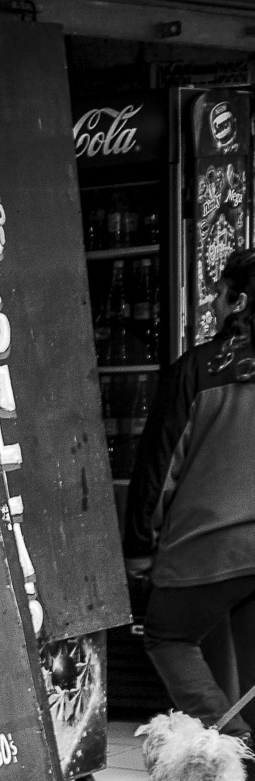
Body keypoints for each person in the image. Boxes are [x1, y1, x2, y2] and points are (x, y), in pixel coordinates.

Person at [125, 247, 255, 745]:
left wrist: (139, 549)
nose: (215, 305)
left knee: (168, 636)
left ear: (238, 300)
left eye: (220, 294)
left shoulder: (196, 370)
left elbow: (158, 470)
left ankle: (232, 743)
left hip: (205, 548)